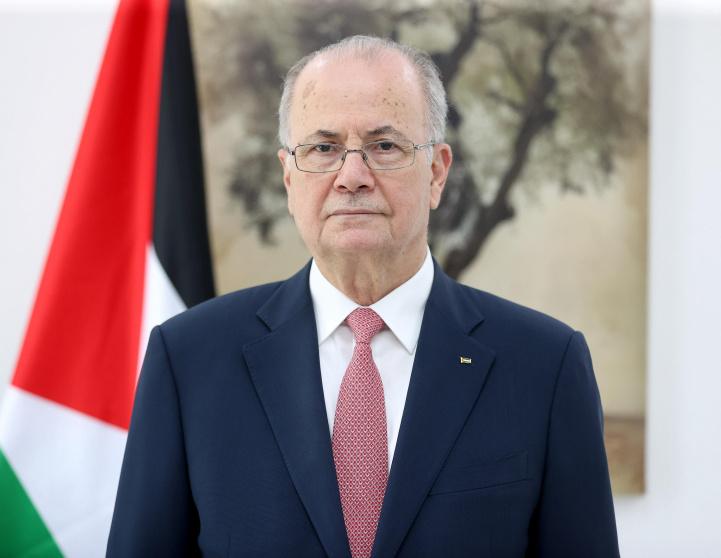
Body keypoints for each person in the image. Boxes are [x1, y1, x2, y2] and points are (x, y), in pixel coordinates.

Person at [107, 35, 619, 557]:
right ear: (289, 177)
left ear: (437, 172)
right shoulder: (189, 359)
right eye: (323, 148)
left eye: (385, 146)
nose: (352, 177)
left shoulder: (545, 365)